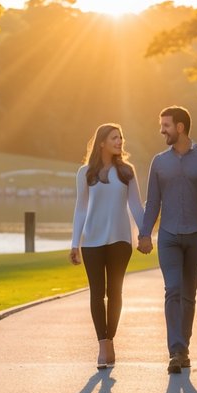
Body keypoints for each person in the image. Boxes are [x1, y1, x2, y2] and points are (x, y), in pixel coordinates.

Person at [137, 106, 197, 374]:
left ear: (180, 127)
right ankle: (175, 350)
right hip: (168, 236)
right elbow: (153, 202)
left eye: (165, 125)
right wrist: (144, 233)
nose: (161, 130)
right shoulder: (159, 162)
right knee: (172, 289)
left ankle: (183, 348)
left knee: (188, 294)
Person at [70, 123, 146, 369]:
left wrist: (145, 235)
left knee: (115, 293)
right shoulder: (85, 173)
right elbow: (81, 209)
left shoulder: (126, 171)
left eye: (121, 137)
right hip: (92, 241)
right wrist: (75, 243)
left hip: (120, 240)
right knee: (96, 293)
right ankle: (103, 344)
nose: (120, 141)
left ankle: (109, 340)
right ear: (101, 142)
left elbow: (136, 206)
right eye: (114, 137)